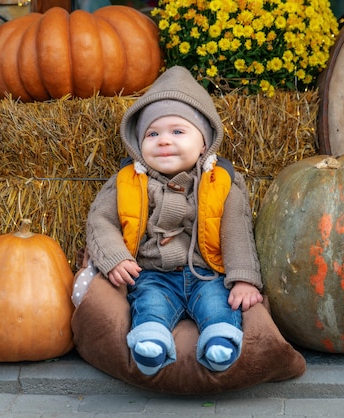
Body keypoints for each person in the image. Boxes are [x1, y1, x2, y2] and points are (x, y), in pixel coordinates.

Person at [85, 66, 263, 376]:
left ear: (204, 144)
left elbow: (236, 232)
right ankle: (150, 343)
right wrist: (114, 258)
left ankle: (219, 341)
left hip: (207, 273)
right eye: (152, 134)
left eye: (178, 132)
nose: (164, 141)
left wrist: (244, 278)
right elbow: (100, 222)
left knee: (218, 304)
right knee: (150, 304)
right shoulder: (127, 181)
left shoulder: (220, 183)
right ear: (138, 145)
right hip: (152, 273)